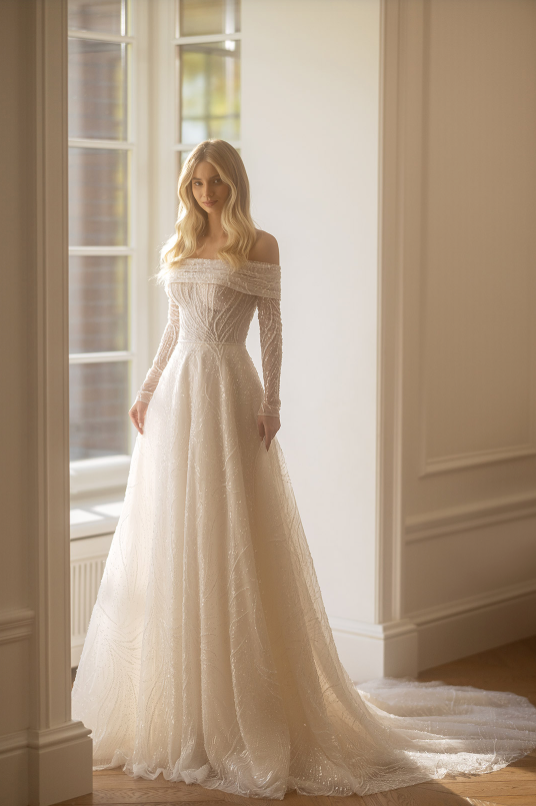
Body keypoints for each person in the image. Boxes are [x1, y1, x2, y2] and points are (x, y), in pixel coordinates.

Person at [71, 139, 536, 800]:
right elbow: (173, 328)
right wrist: (146, 391)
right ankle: (179, 710)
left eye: (216, 181)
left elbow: (273, 329)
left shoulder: (259, 246)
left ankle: (242, 704)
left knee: (232, 531)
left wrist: (273, 402)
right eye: (197, 182)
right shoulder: (179, 246)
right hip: (177, 399)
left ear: (234, 182)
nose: (206, 192)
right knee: (174, 537)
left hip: (228, 391)